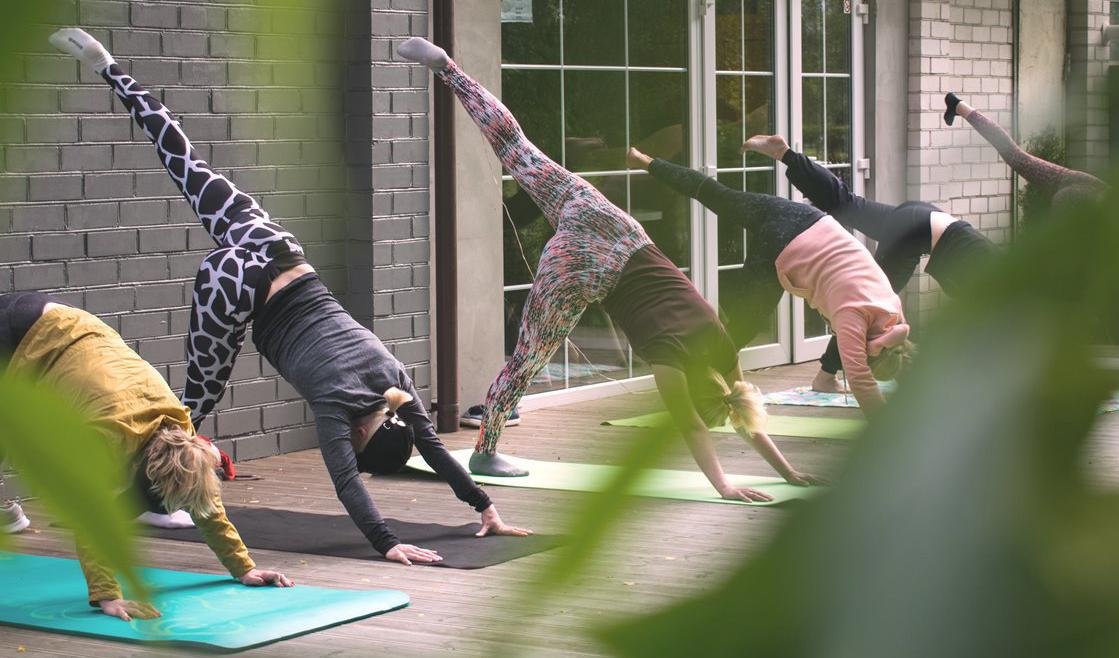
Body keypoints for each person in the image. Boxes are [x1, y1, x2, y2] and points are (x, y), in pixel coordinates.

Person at [49, 28, 529, 567]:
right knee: (190, 409)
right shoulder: (336, 408)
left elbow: (436, 451)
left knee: (185, 160)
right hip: (235, 288)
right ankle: (147, 496)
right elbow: (349, 485)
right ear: (363, 436)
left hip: (278, 251)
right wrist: (387, 542)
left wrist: (484, 505)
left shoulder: (397, 380)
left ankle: (112, 69)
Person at [397, 37, 823, 498]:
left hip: (610, 223)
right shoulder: (670, 367)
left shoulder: (722, 351)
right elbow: (696, 430)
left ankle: (449, 70)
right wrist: (725, 487)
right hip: (583, 269)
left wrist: (789, 473)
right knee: (526, 360)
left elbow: (742, 409)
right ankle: (485, 449)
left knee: (517, 149)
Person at [1, 292, 292, 621]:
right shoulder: (108, 437)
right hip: (19, 335)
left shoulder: (182, 436)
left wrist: (244, 568)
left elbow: (208, 509)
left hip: (67, 323)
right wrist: (107, 596)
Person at [626, 146, 915, 415]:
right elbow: (860, 379)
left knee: (716, 194)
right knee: (745, 325)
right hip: (785, 244)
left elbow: (895, 354)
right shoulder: (853, 317)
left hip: (805, 217)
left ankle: (646, 161)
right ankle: (699, 387)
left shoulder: (892, 309)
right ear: (871, 355)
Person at [740, 134, 996, 393]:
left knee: (846, 204)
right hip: (915, 233)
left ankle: (786, 155)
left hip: (924, 218)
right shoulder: (996, 288)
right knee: (861, 302)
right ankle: (826, 376)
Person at [944, 93, 1108, 205]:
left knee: (1015, 156)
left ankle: (959, 105)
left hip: (1079, 183)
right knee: (1016, 156)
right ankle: (958, 105)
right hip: (1077, 197)